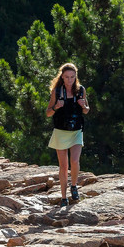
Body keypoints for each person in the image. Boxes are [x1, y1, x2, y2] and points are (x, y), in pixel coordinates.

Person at [44, 62, 89, 205]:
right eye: (67, 77)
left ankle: (74, 186)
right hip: (60, 132)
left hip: (76, 131)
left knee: (74, 161)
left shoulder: (81, 90)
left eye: (72, 77)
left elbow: (86, 110)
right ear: (62, 77)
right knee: (63, 167)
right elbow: (48, 113)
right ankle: (64, 198)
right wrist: (56, 106)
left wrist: (84, 106)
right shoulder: (56, 92)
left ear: (76, 77)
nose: (70, 80)